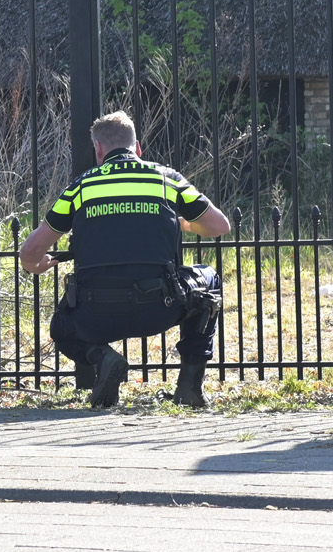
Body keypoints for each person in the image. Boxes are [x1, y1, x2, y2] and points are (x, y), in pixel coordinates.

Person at [20, 111, 231, 409]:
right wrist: (185, 224)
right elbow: (220, 226)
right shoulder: (166, 179)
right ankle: (190, 388)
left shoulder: (81, 187)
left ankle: (102, 357)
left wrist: (35, 266)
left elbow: (30, 251)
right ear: (138, 148)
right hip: (160, 307)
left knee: (61, 326)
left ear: (98, 149)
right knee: (209, 280)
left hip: (95, 311)